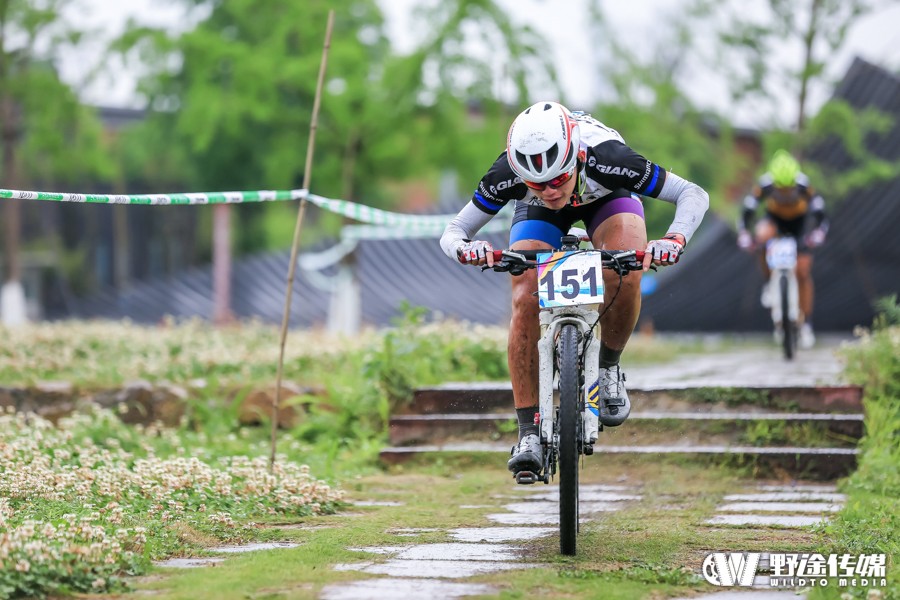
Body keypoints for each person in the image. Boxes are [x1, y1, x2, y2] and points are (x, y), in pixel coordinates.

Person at [440, 101, 709, 476]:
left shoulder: (609, 157)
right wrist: (470, 250)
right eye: (536, 183)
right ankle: (528, 432)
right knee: (524, 293)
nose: (549, 190)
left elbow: (693, 193)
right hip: (538, 218)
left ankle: (609, 367)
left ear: (575, 157)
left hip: (607, 198)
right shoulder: (508, 173)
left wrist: (675, 239)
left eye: (557, 180)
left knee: (624, 268)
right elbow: (453, 233)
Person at [737, 149, 828, 349]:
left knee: (803, 271)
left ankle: (806, 324)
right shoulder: (765, 184)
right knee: (761, 235)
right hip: (775, 222)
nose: (786, 194)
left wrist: (819, 234)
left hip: (799, 224)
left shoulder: (804, 184)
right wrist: (744, 234)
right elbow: (747, 211)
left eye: (789, 190)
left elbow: (821, 213)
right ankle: (769, 281)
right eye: (781, 190)